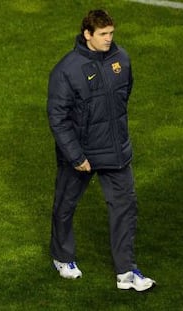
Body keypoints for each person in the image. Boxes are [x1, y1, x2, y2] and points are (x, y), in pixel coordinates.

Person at [46, 9, 155, 291]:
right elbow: (57, 118)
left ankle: (126, 271)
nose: (109, 39)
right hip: (81, 154)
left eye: (111, 33)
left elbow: (123, 95)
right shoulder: (66, 70)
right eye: (103, 34)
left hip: (116, 150)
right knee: (65, 206)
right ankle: (62, 256)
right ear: (87, 35)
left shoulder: (122, 59)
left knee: (125, 208)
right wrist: (76, 156)